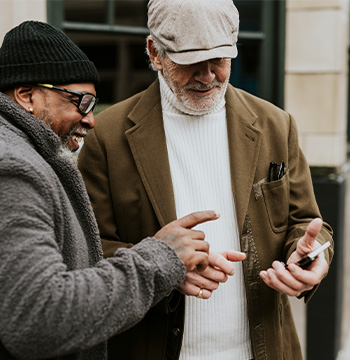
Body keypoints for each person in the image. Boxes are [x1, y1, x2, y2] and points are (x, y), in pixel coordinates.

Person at [78, 0, 334, 359]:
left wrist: (311, 255)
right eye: (190, 60)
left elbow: (304, 223)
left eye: (219, 58)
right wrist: (163, 268)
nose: (208, 74)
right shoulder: (106, 135)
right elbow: (87, 252)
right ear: (155, 52)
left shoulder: (276, 124)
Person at [0, 20, 226, 360]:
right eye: (82, 102)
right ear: (27, 96)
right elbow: (38, 317)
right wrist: (161, 257)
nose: (91, 119)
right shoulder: (14, 171)